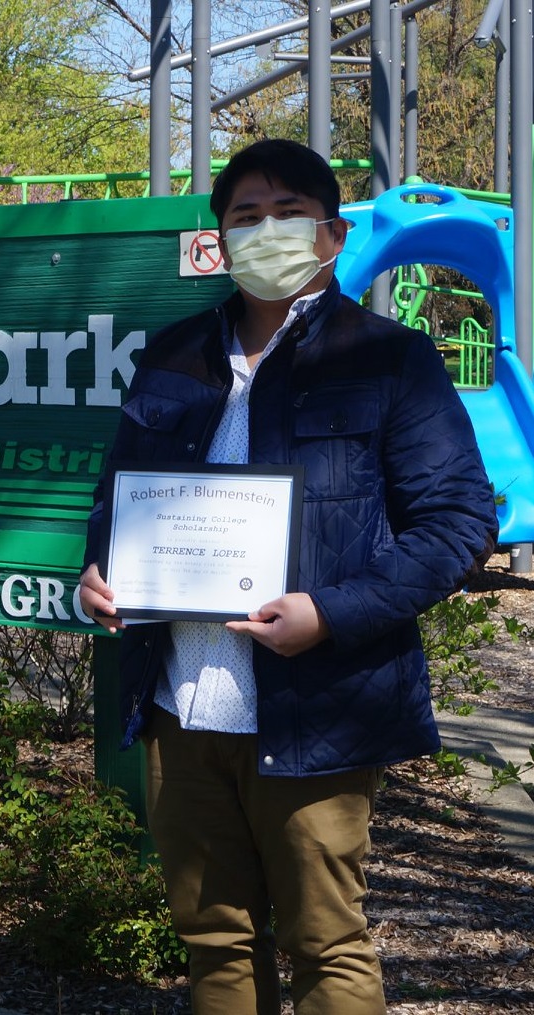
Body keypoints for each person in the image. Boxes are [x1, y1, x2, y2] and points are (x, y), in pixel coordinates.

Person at [77, 139, 496, 1014]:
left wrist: (329, 612)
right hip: (179, 702)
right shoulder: (172, 355)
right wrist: (99, 571)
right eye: (243, 216)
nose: (263, 231)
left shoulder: (390, 360)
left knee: (325, 941)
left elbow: (458, 525)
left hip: (320, 705)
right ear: (218, 239)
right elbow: (119, 495)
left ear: (331, 236)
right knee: (211, 935)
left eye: (285, 214)